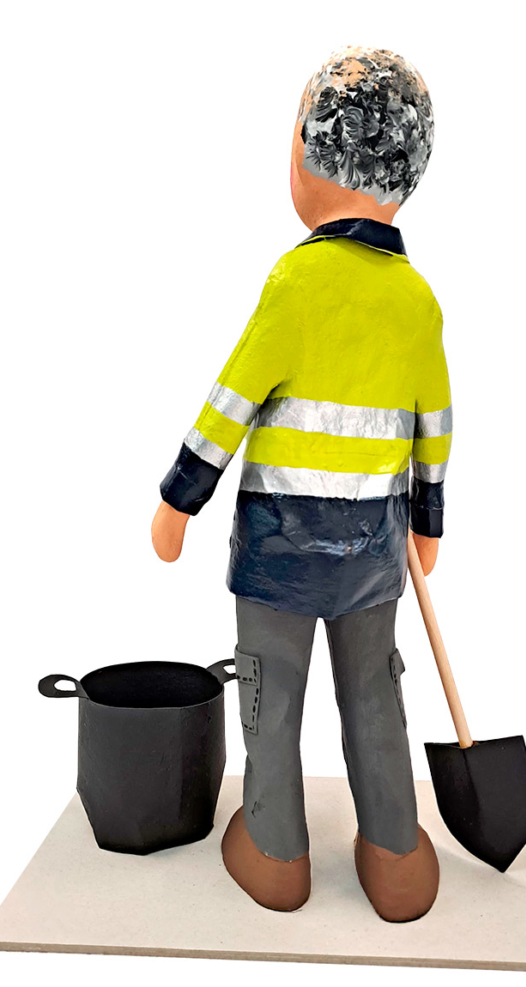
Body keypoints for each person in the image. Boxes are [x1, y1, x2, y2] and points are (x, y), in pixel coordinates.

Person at [152, 45, 450, 922]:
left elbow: (230, 402)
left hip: (278, 548)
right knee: (375, 693)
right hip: (373, 550)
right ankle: (395, 853)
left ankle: (276, 849)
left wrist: (178, 499)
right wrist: (428, 521)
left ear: (307, 155)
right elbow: (435, 425)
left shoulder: (293, 282)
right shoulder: (418, 301)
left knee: (271, 694)